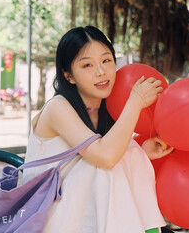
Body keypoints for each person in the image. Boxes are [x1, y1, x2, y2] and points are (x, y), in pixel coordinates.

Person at [23, 26, 174, 233]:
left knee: (120, 158)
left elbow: (111, 154)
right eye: (87, 65)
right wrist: (135, 101)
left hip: (86, 215)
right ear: (69, 76)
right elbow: (105, 157)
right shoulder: (57, 107)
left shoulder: (107, 106)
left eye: (106, 60)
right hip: (47, 214)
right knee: (103, 167)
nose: (101, 71)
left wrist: (141, 150)